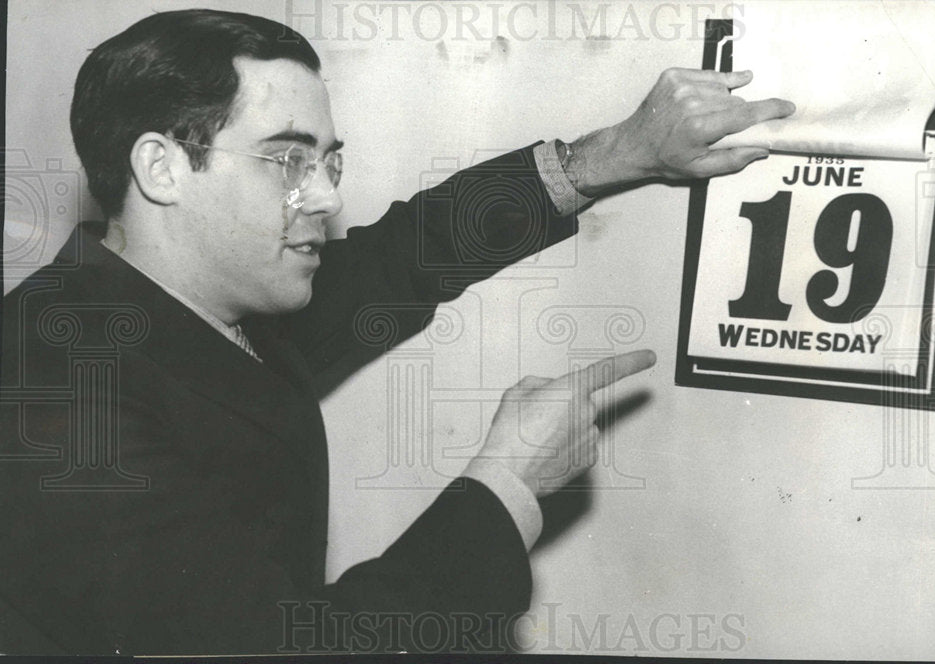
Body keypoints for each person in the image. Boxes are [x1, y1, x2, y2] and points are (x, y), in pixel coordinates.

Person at [0, 9, 794, 655]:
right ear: (162, 168)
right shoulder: (54, 399)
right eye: (287, 160)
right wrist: (507, 485)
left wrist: (615, 154)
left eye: (329, 163)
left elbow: (402, 258)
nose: (323, 198)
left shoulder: (190, 297)